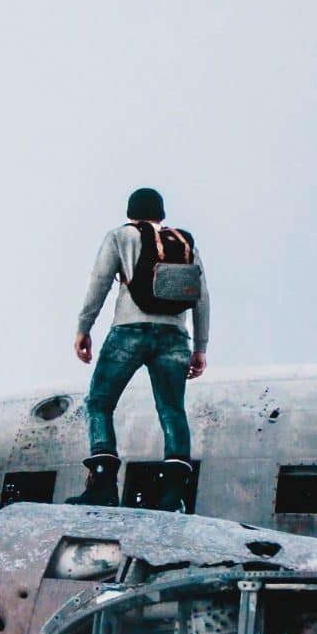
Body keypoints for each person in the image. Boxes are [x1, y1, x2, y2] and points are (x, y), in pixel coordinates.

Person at [67, 187, 209, 511]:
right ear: (161, 215)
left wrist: (83, 329)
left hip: (129, 331)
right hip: (175, 335)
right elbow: (202, 296)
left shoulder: (120, 236)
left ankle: (102, 481)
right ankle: (173, 494)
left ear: (130, 213)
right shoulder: (183, 242)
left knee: (100, 403)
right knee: (172, 410)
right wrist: (200, 347)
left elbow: (99, 283)